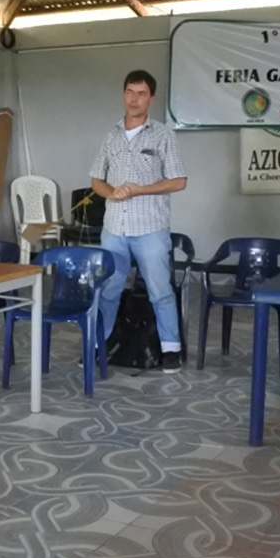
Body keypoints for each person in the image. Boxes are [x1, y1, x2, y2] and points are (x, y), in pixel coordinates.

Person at [89, 69, 188, 373]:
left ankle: (171, 349)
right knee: (108, 290)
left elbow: (179, 181)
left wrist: (140, 190)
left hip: (150, 229)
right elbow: (96, 180)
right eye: (130, 92)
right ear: (123, 94)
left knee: (160, 291)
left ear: (151, 98)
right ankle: (99, 345)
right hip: (115, 228)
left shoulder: (163, 135)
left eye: (141, 93)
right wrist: (111, 193)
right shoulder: (111, 135)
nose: (134, 99)